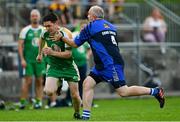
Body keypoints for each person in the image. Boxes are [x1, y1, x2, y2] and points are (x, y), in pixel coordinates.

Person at [55, 5, 165, 120]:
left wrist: (62, 37)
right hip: (103, 64)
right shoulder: (112, 26)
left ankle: (155, 91)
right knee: (87, 84)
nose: (87, 16)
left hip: (110, 65)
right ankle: (85, 117)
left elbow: (74, 44)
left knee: (123, 91)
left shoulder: (90, 27)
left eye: (88, 14)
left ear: (93, 16)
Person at [36, 12, 81, 119]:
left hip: (68, 66)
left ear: (56, 23)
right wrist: (39, 54)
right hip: (54, 66)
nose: (47, 28)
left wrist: (52, 53)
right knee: (48, 92)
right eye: (45, 26)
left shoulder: (66, 33)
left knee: (75, 96)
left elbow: (68, 54)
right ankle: (59, 82)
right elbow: (41, 40)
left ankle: (77, 112)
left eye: (49, 26)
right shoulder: (44, 33)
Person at [18, 9, 44, 109]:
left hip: (40, 60)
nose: (35, 17)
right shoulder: (25, 30)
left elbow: (46, 44)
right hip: (28, 60)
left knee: (39, 80)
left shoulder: (43, 30)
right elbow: (20, 46)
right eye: (33, 16)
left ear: (39, 17)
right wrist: (22, 59)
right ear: (30, 17)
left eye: (36, 16)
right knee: (27, 81)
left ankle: (38, 102)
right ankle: (22, 102)